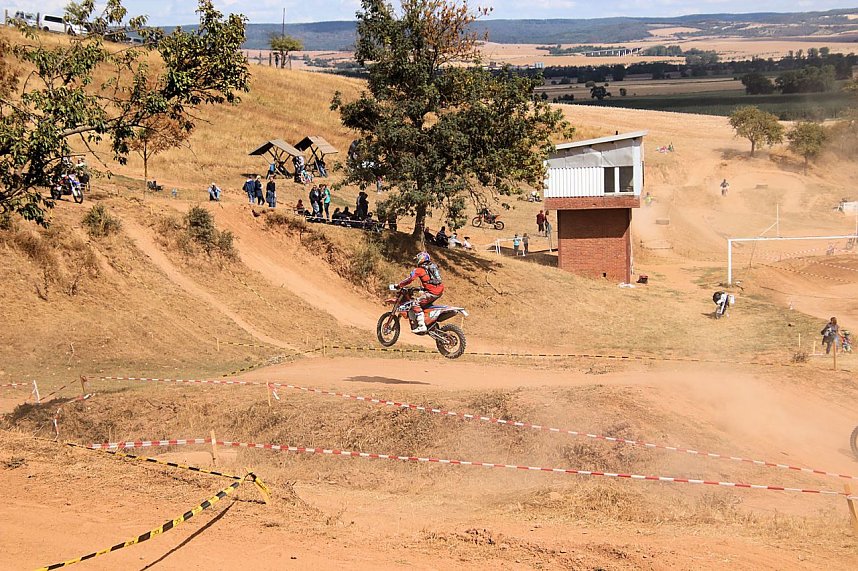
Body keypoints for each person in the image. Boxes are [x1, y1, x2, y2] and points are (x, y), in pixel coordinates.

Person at [391, 251, 445, 333]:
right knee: (424, 304)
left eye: (417, 259)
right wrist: (421, 289)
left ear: (421, 258)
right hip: (439, 290)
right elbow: (431, 281)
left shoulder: (419, 270)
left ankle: (421, 325)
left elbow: (410, 279)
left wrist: (398, 285)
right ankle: (428, 322)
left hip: (432, 292)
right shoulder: (432, 267)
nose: (416, 261)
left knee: (415, 304)